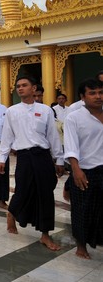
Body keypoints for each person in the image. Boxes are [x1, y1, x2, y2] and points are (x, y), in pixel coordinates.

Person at [0, 75, 64, 251]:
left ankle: (45, 234)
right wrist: (2, 158)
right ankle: (12, 213)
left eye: (24, 85)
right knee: (23, 190)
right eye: (18, 86)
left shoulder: (45, 110)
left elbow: (52, 136)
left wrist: (59, 159)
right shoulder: (12, 111)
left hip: (42, 156)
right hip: (24, 156)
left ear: (34, 88)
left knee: (46, 194)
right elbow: (7, 135)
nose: (20, 88)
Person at [63, 78, 103, 259]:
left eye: (100, 92)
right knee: (82, 210)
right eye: (92, 93)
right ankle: (81, 245)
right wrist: (76, 169)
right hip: (85, 170)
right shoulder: (74, 117)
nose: (98, 96)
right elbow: (71, 145)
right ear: (82, 97)